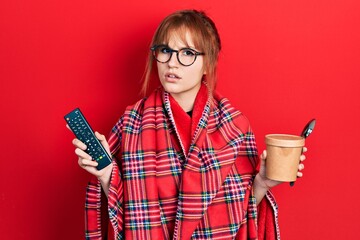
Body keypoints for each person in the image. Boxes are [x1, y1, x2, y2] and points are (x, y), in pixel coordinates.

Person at [69, 9, 307, 240]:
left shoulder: (234, 126)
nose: (172, 63)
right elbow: (124, 210)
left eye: (187, 53)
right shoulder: (131, 123)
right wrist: (106, 173)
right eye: (165, 51)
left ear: (207, 64)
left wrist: (262, 183)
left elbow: (239, 214)